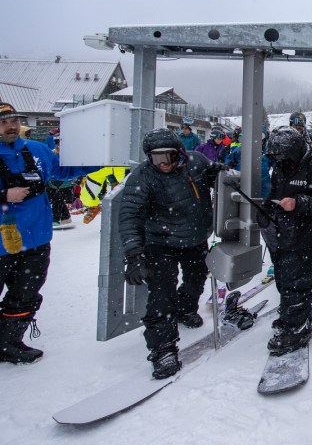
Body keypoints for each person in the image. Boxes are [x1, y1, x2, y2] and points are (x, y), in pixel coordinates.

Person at [117, 128, 223, 379]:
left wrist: (216, 172)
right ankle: (162, 348)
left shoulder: (196, 162)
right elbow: (130, 216)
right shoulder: (143, 177)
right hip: (160, 242)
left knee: (196, 280)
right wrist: (134, 254)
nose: (163, 164)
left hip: (195, 238)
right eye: (156, 158)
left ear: (181, 154)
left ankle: (185, 309)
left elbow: (207, 174)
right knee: (161, 294)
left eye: (169, 157)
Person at [0, 103, 99, 364]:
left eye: (14, 120)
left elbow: (65, 169)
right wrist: (4, 195)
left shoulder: (35, 150)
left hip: (36, 240)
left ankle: (9, 343)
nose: (11, 126)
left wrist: (99, 158)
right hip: (1, 243)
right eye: (4, 122)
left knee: (26, 293)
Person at [255, 127, 312, 354]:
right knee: (283, 274)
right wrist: (267, 208)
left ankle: (296, 326)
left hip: (307, 228)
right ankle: (294, 315)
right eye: (277, 157)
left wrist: (299, 203)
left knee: (297, 276)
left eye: (283, 156)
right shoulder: (282, 165)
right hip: (284, 227)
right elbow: (276, 192)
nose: (280, 161)